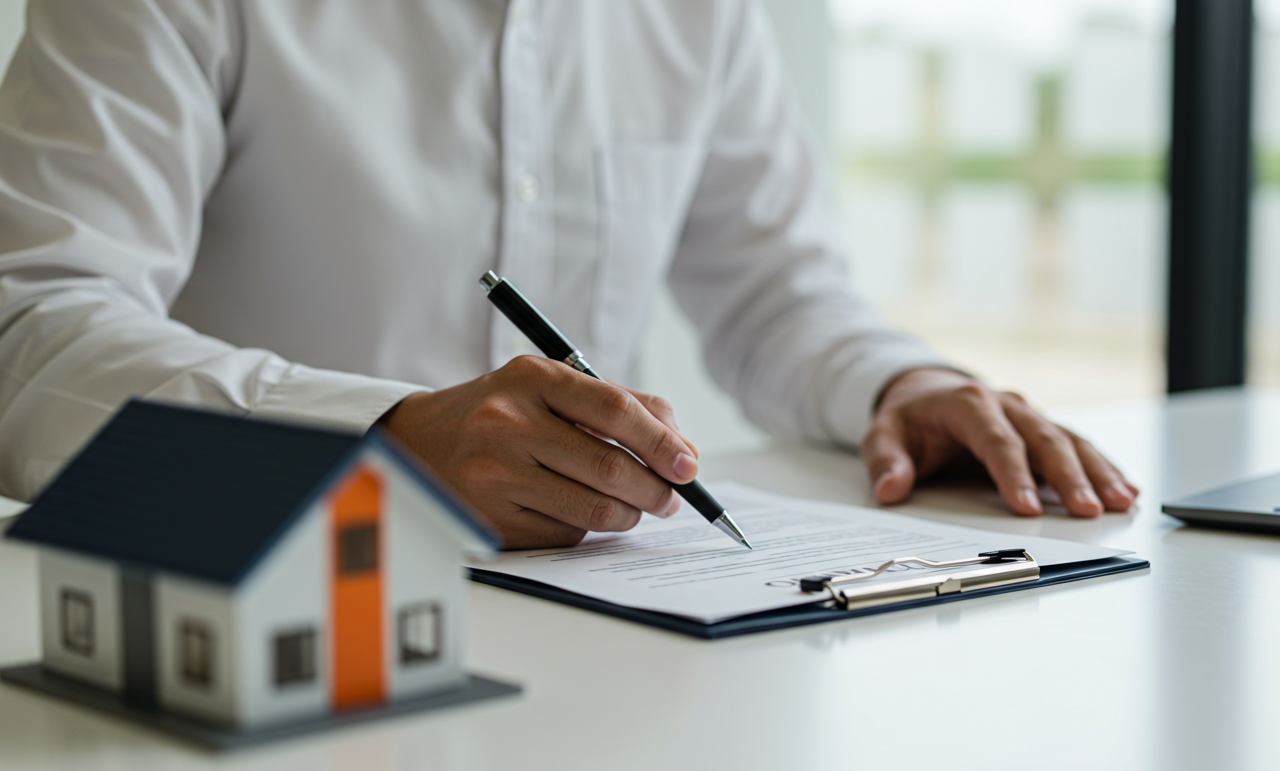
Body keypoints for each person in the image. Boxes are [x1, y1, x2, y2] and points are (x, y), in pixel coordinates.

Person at [0, 0, 1137, 549]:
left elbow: (775, 289)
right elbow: (31, 322)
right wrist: (383, 435)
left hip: (611, 631)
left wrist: (901, 386)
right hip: (273, 603)